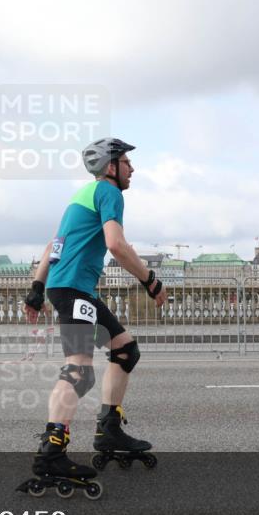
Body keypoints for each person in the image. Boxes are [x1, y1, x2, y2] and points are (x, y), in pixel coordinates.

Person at [22, 137, 168, 492]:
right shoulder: (108, 192)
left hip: (72, 289)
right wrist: (150, 280)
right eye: (127, 162)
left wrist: (37, 288)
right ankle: (51, 451)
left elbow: (53, 246)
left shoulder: (81, 196)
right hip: (73, 290)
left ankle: (109, 430)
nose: (132, 168)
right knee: (79, 370)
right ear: (110, 166)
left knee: (125, 350)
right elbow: (116, 244)